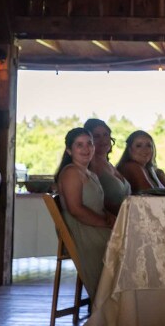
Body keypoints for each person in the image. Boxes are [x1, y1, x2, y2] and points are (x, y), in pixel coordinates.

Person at [55, 127, 114, 298]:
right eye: (79, 145)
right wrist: (105, 223)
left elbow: (98, 206)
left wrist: (111, 219)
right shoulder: (71, 172)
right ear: (69, 150)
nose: (86, 148)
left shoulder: (89, 173)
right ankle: (112, 305)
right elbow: (76, 210)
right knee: (129, 248)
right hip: (84, 231)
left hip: (95, 226)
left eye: (89, 144)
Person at [84, 119, 130, 216]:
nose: (103, 140)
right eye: (96, 136)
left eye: (106, 134)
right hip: (112, 220)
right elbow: (98, 201)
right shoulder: (91, 167)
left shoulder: (110, 165)